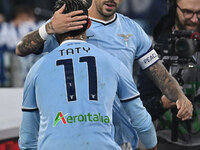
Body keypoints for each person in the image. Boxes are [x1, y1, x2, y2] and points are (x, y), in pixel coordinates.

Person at [16, 0, 193, 149]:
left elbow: (159, 73)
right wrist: (49, 28)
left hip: (121, 136)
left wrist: (179, 97)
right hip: (80, 130)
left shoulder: (133, 30)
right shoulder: (70, 21)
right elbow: (22, 48)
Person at [137, 0, 200, 149]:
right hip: (165, 139)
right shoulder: (157, 48)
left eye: (199, 13)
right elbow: (140, 108)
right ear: (173, 8)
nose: (195, 19)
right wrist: (162, 103)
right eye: (188, 12)